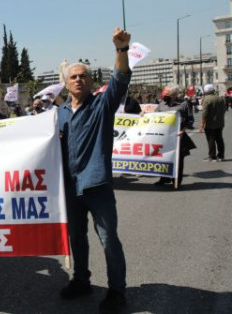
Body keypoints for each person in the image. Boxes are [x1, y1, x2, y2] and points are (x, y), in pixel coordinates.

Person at [57, 28, 131, 313]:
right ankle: (81, 280)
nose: (78, 79)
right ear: (66, 84)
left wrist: (121, 50)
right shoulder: (59, 114)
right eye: (73, 77)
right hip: (70, 187)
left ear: (91, 81)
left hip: (97, 185)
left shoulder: (102, 105)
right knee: (77, 238)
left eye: (83, 76)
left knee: (109, 239)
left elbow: (120, 80)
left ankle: (117, 292)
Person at [154, 85, 196, 187]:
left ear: (175, 94)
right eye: (165, 93)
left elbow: (190, 120)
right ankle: (164, 178)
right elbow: (154, 116)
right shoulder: (162, 103)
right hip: (164, 137)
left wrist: (183, 130)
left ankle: (176, 181)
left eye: (168, 93)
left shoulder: (184, 104)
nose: (165, 95)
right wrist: (143, 114)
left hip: (178, 137)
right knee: (163, 157)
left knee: (178, 160)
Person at [199, 84, 226, 162]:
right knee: (219, 139)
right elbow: (224, 109)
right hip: (220, 122)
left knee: (211, 139)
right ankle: (221, 155)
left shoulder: (206, 99)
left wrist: (202, 124)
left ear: (205, 91)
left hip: (210, 123)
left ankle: (212, 156)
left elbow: (205, 113)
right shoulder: (220, 98)